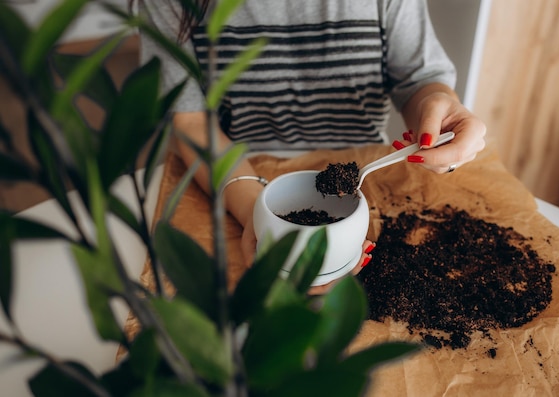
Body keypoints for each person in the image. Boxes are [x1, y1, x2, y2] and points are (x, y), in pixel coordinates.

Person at [135, 0, 486, 290]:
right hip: (239, 170)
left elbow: (419, 80)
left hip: (368, 171)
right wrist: (255, 213)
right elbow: (193, 122)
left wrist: (436, 106)